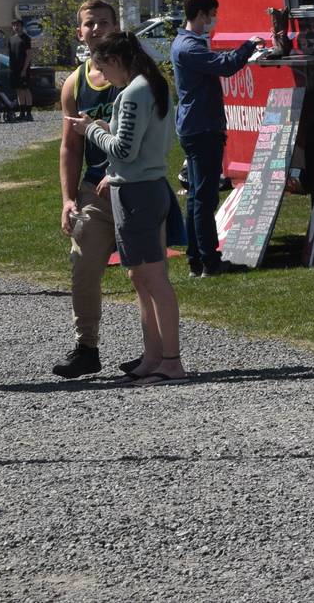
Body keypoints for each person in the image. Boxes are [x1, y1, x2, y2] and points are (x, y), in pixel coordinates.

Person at [73, 31, 187, 383]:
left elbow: (124, 151)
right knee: (139, 276)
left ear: (117, 60)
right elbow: (135, 141)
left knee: (153, 278)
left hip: (138, 192)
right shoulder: (149, 85)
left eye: (103, 68)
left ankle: (171, 361)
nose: (103, 77)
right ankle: (153, 357)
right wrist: (109, 128)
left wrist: (90, 130)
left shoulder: (136, 90)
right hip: (138, 187)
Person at [52, 0, 123, 378]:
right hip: (93, 192)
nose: (95, 29)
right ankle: (86, 348)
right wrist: (67, 199)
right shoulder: (74, 83)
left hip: (136, 189)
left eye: (102, 23)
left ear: (116, 26)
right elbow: (70, 146)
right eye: (88, 24)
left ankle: (158, 353)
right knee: (82, 266)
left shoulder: (136, 74)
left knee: (144, 274)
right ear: (79, 32)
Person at [169, 0, 260, 277]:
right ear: (200, 14)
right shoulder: (188, 47)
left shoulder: (188, 44)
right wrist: (249, 46)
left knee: (197, 197)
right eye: (211, 14)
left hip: (197, 125)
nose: (213, 20)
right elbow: (225, 65)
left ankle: (197, 259)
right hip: (202, 128)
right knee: (205, 198)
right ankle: (209, 260)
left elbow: (218, 60)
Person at [7, 19, 34, 121]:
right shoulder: (11, 39)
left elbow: (28, 55)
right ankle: (22, 113)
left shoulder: (26, 38)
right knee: (19, 91)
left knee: (26, 89)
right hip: (14, 69)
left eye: (17, 25)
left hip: (24, 69)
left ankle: (29, 114)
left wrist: (24, 69)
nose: (16, 27)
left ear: (22, 26)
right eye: (14, 25)